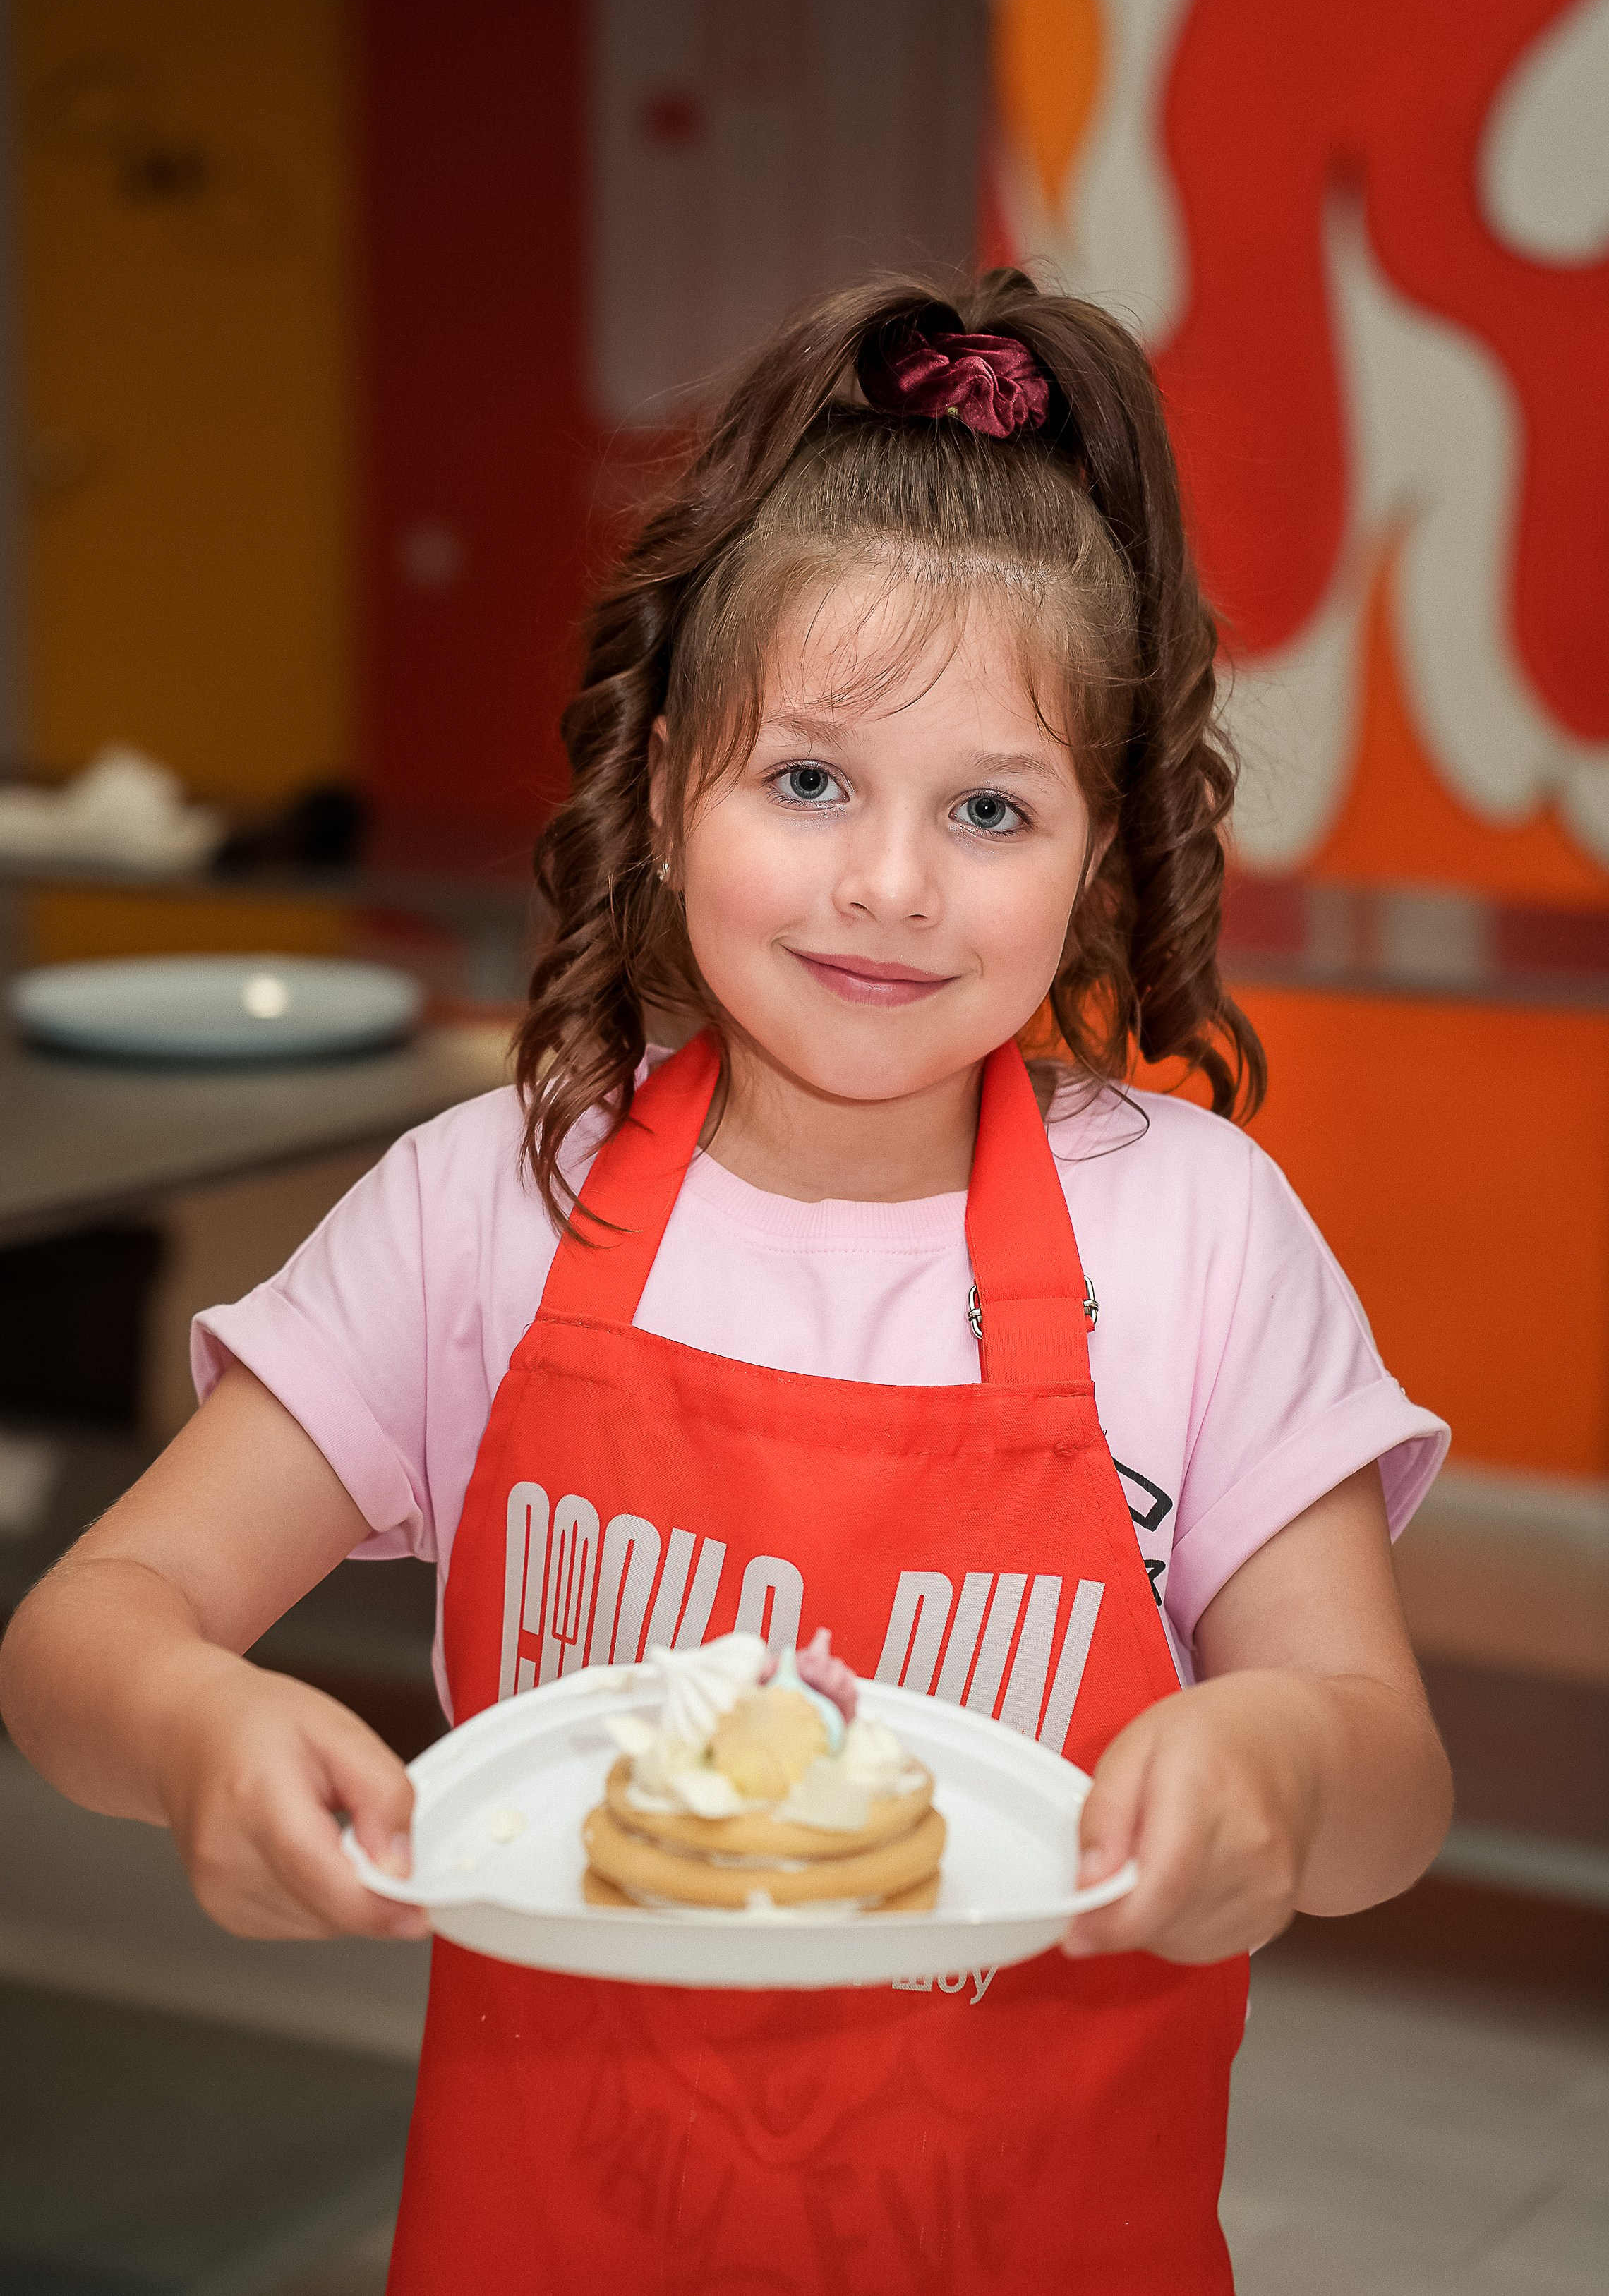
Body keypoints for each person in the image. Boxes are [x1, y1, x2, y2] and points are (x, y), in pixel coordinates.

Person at [0, 272, 1452, 2293]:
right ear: (673, 779)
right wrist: (182, 1730)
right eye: (808, 781)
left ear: (1101, 852)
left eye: (991, 808)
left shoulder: (1197, 1236)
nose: (888, 883)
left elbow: (1392, 1777)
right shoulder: (488, 1208)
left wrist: (1288, 1769)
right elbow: (85, 1626)